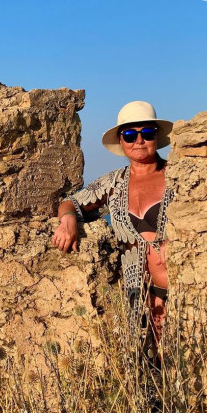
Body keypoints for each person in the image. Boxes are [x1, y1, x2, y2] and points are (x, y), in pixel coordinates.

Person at [51, 100, 174, 356]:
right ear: (121, 140)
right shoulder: (112, 184)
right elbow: (70, 202)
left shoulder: (178, 176)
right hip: (137, 298)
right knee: (145, 366)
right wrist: (69, 220)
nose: (139, 140)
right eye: (130, 135)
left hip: (181, 292)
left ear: (157, 136)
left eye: (147, 132)